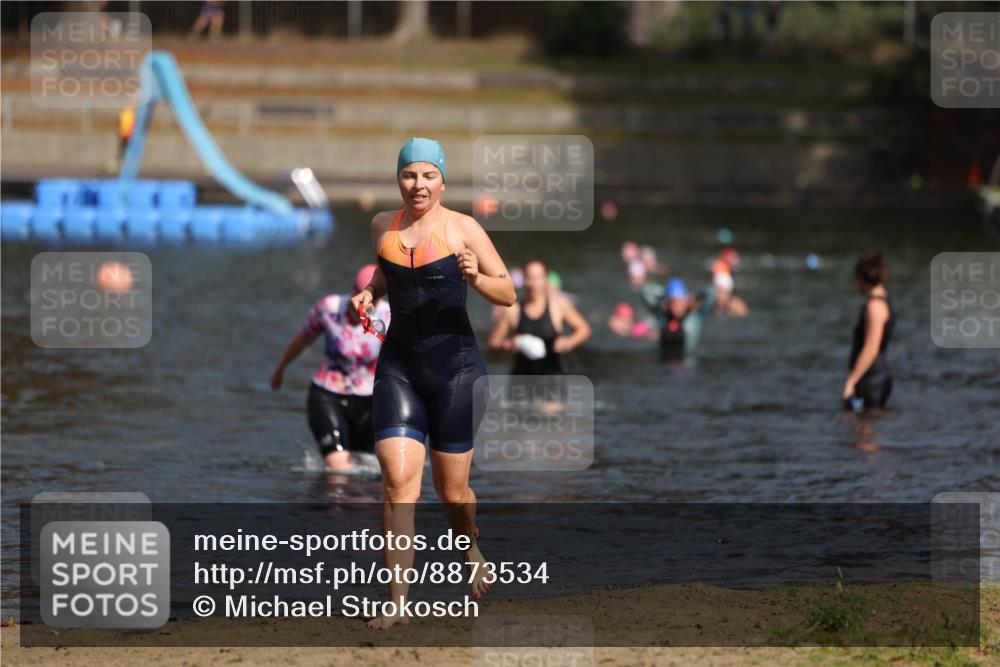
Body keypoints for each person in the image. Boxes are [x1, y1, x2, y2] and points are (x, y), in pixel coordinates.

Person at [351, 138, 516, 629]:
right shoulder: (383, 225)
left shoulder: (463, 228)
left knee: (452, 493)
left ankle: (471, 549)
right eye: (408, 175)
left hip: (457, 372)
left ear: (442, 180)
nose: (417, 185)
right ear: (397, 179)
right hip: (398, 368)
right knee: (397, 483)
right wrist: (368, 292)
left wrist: (477, 278)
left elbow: (507, 291)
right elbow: (387, 275)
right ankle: (398, 603)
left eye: (427, 176)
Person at [270, 265, 390, 472]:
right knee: (340, 470)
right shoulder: (329, 308)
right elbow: (303, 339)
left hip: (371, 402)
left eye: (371, 300)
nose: (362, 306)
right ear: (354, 291)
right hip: (327, 396)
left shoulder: (389, 317)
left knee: (371, 471)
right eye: (358, 297)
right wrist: (280, 369)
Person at [488, 259, 591, 376]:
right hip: (522, 380)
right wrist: (509, 345)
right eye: (529, 278)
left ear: (545, 280)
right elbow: (493, 347)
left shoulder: (558, 306)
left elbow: (584, 329)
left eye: (537, 278)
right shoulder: (513, 311)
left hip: (554, 379)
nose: (533, 283)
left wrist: (568, 342)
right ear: (523, 280)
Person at [843, 251, 895, 411]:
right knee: (863, 429)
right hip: (874, 377)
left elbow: (871, 348)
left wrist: (851, 381)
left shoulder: (875, 307)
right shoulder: (882, 302)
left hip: (873, 379)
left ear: (861, 278)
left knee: (865, 431)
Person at [640, 277, 716, 360]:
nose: (677, 306)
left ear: (686, 300)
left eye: (680, 301)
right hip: (664, 361)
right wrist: (664, 294)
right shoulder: (662, 315)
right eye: (673, 302)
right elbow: (644, 290)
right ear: (668, 302)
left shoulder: (695, 316)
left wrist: (694, 296)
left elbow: (711, 292)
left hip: (688, 360)